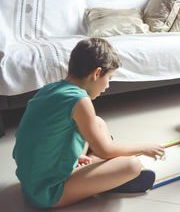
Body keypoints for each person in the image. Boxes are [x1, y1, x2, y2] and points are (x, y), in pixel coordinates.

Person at [12, 38, 165, 208]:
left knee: (97, 122)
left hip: (31, 180)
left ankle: (94, 171)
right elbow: (105, 150)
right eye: (109, 78)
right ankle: (105, 181)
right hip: (46, 192)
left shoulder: (51, 88)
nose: (107, 86)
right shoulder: (80, 100)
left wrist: (76, 156)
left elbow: (44, 137)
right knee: (132, 165)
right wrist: (144, 148)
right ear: (97, 73)